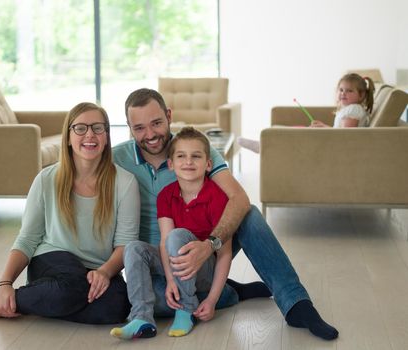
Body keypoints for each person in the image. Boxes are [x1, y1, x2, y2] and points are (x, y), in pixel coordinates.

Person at [112, 88, 339, 341]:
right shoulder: (116, 159)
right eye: (139, 128)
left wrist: (210, 246)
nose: (150, 135)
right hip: (160, 267)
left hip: (205, 252)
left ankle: (297, 304)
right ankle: (227, 293)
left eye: (156, 123)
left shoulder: (196, 150)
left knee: (249, 214)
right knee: (148, 301)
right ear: (129, 128)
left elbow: (239, 199)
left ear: (169, 115)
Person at [0, 102, 140, 325]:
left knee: (118, 306)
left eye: (98, 128)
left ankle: (26, 304)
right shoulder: (46, 179)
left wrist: (105, 273)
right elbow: (28, 239)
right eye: (80, 128)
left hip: (96, 268)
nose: (90, 134)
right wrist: (5, 284)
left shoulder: (125, 182)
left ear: (106, 136)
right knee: (73, 285)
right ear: (68, 137)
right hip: (52, 259)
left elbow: (125, 244)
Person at [111, 127, 244, 339]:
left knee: (178, 235)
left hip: (204, 269)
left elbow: (225, 253)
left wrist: (210, 300)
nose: (188, 162)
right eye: (181, 156)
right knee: (134, 247)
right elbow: (164, 243)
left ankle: (187, 308)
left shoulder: (217, 197)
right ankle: (142, 318)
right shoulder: (166, 195)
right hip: (176, 265)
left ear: (208, 164)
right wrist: (171, 281)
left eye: (196, 156)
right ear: (171, 164)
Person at [237, 73, 376, 153]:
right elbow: (340, 131)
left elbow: (345, 136)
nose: (343, 93)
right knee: (299, 130)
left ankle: (263, 146)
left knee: (298, 136)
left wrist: (325, 129)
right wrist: (324, 127)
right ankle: (265, 144)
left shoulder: (354, 109)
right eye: (341, 90)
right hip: (334, 141)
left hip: (336, 147)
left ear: (361, 95)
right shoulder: (350, 109)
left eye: (349, 91)